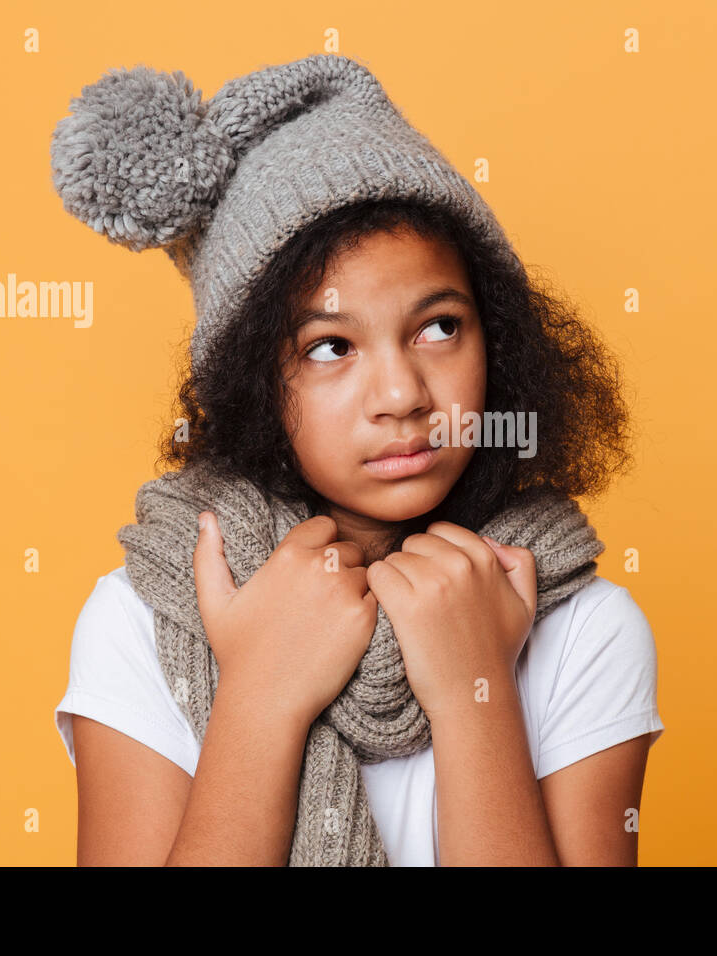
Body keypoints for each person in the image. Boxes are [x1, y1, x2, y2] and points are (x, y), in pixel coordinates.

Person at [48, 54, 664, 866]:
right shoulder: (142, 619)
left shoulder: (583, 628)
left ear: (501, 340)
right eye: (331, 347)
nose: (403, 395)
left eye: (439, 327)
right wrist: (260, 694)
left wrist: (476, 689)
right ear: (251, 383)